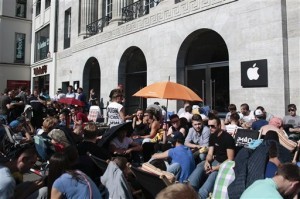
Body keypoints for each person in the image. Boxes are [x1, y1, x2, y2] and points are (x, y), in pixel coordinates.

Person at [188, 116, 235, 199]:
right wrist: (207, 161)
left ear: (219, 125)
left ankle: (201, 195)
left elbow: (230, 159)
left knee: (213, 174)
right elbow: (210, 153)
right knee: (200, 166)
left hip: (224, 164)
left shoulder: (228, 138)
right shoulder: (212, 136)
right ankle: (189, 188)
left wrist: (216, 168)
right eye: (209, 126)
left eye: (213, 126)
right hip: (215, 160)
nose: (210, 128)